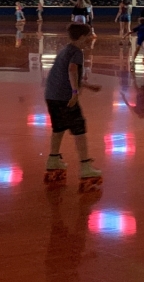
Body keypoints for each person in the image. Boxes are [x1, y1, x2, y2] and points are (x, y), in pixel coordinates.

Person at [43, 24, 103, 189]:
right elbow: (72, 70)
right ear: (82, 37)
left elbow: (67, 73)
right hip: (65, 98)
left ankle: (53, 159)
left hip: (51, 95)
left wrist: (88, 86)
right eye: (89, 35)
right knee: (79, 129)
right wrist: (75, 93)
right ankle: (85, 167)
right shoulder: (77, 53)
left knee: (59, 127)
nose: (91, 38)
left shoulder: (66, 50)